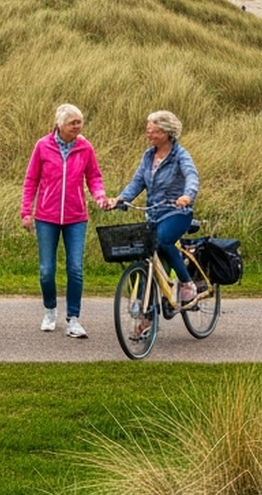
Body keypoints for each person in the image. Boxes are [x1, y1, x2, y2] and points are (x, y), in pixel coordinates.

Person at [22, 104, 106, 338]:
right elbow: (31, 180)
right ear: (60, 124)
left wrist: (99, 196)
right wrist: (26, 212)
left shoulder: (85, 147)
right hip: (46, 216)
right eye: (73, 123)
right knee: (46, 270)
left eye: (80, 122)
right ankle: (50, 310)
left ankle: (73, 319)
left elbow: (94, 177)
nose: (77, 127)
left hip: (76, 217)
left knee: (75, 268)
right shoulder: (42, 146)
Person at [112, 110, 201, 308]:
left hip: (176, 212)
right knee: (143, 253)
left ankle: (187, 284)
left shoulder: (180, 155)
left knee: (163, 241)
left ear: (167, 133)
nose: (149, 135)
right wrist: (122, 198)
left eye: (153, 131)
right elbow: (137, 182)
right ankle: (145, 308)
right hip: (153, 213)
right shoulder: (148, 155)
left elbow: (192, 176)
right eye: (148, 131)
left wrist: (187, 196)